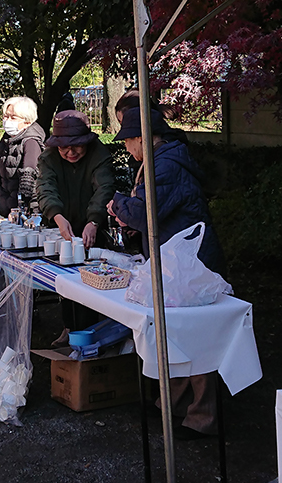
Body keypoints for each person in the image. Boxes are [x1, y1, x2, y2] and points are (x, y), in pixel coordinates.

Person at [107, 106, 226, 440]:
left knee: (196, 337)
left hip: (193, 266)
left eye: (128, 141)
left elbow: (148, 212)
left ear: (142, 139)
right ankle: (170, 404)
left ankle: (202, 417)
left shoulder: (166, 164)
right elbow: (155, 216)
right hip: (178, 264)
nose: (127, 148)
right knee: (173, 334)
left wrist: (117, 205)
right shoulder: (162, 161)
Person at [35, 110, 115, 250]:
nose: (71, 152)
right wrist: (57, 216)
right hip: (57, 229)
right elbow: (45, 188)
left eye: (77, 146)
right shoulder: (48, 158)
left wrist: (94, 221)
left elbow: (104, 188)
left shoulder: (99, 155)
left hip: (94, 229)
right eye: (64, 147)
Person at [0, 96, 45, 217]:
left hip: (30, 212)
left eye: (13, 117)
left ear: (27, 121)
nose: (8, 120)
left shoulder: (31, 142)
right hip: (7, 209)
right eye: (6, 116)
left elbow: (28, 177)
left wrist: (20, 210)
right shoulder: (4, 142)